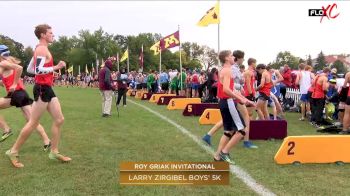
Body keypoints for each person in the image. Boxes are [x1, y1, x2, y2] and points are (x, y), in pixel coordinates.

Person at [6, 24, 70, 168]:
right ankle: (13, 151)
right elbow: (38, 70)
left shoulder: (40, 49)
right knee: (33, 122)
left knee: (59, 119)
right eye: (50, 33)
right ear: (43, 35)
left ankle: (54, 151)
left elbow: (30, 69)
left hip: (47, 88)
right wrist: (56, 67)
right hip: (42, 89)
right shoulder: (41, 49)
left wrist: (48, 69)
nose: (53, 35)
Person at [0, 45, 51, 149]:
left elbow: (20, 68)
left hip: (17, 95)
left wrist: (14, 84)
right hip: (20, 95)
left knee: (32, 121)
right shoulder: (9, 62)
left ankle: (6, 130)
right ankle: (47, 140)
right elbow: (8, 77)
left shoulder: (3, 63)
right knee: (32, 121)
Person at [213, 50, 255, 164]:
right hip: (228, 102)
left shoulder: (224, 70)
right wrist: (241, 99)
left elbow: (231, 89)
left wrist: (245, 99)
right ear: (227, 58)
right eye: (231, 56)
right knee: (241, 130)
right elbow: (227, 90)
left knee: (228, 131)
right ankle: (224, 152)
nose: (233, 58)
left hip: (224, 102)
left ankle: (217, 156)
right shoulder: (227, 71)